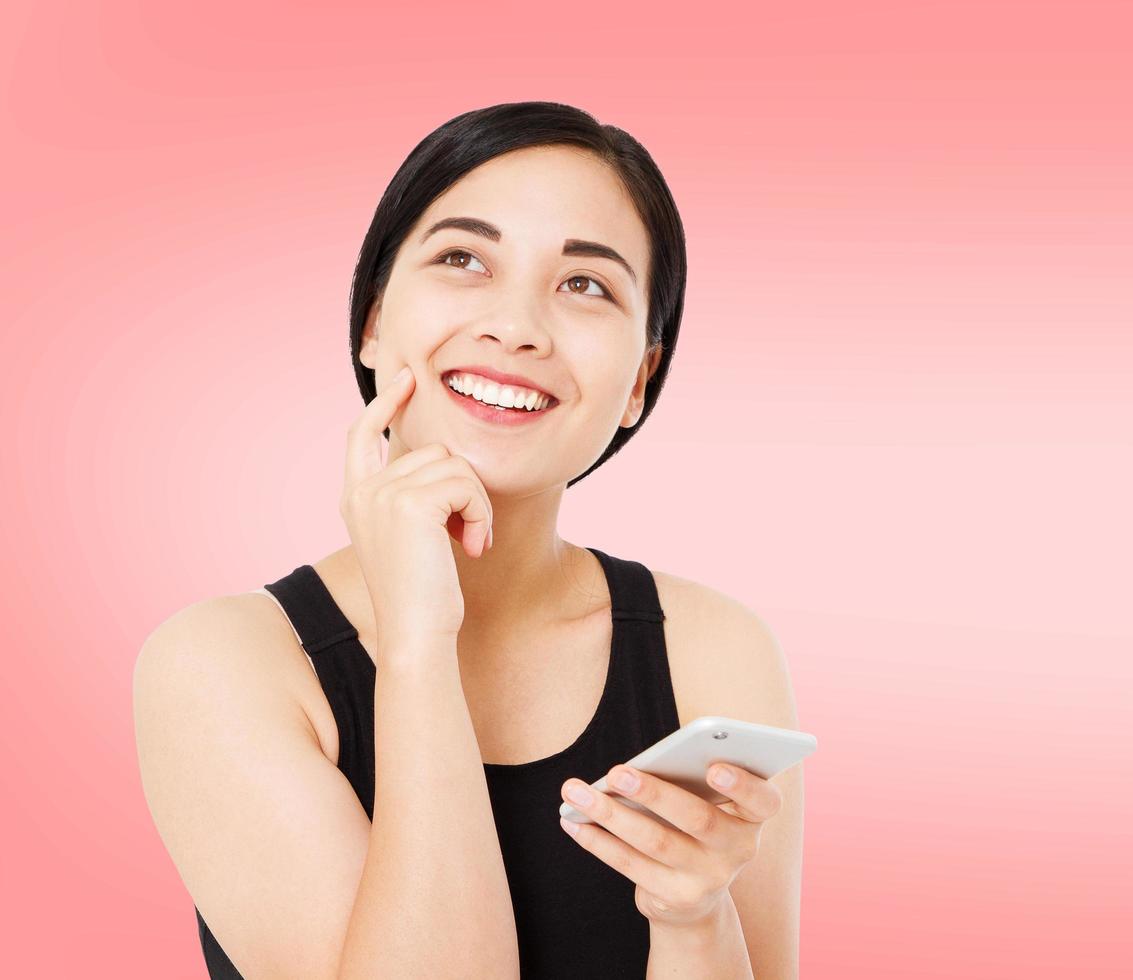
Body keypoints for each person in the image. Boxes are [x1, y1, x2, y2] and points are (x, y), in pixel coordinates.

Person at [132, 102, 803, 979]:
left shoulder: (713, 651)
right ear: (373, 321)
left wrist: (692, 918)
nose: (517, 326)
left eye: (586, 284)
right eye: (463, 259)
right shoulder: (224, 665)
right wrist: (417, 643)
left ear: (639, 380)